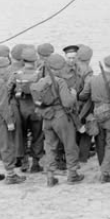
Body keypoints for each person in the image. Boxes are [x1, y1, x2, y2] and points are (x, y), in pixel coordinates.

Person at [34, 53, 84, 186]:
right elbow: (67, 103)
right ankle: (72, 174)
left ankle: (50, 176)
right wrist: (73, 95)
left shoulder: (41, 81)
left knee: (50, 147)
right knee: (70, 145)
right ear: (61, 67)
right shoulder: (60, 81)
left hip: (47, 117)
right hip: (60, 117)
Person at [79, 55, 110, 183]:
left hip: (96, 114)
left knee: (100, 143)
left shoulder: (92, 79)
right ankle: (105, 173)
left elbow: (83, 95)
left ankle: (102, 167)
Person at [7, 46, 43, 173]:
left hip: (21, 107)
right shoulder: (40, 74)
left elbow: (8, 91)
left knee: (21, 134)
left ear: (23, 60)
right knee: (37, 135)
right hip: (36, 107)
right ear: (35, 60)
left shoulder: (16, 74)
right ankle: (36, 163)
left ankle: (24, 162)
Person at [0, 56, 26, 184]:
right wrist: (9, 122)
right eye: (6, 67)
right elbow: (3, 105)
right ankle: (11, 175)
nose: (7, 69)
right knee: (6, 145)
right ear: (0, 69)